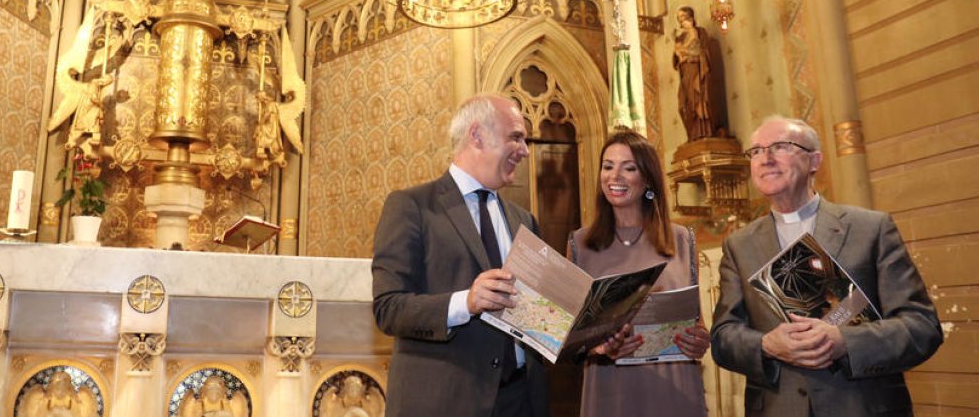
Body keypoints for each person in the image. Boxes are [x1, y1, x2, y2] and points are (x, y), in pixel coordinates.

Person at [710, 116, 943, 416]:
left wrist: (845, 341)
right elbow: (723, 337)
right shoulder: (739, 245)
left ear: (814, 161)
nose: (765, 159)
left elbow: (922, 327)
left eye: (780, 147)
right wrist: (766, 344)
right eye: (755, 151)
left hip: (862, 406)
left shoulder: (870, 229)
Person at [372, 93, 548, 417]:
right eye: (516, 138)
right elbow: (388, 308)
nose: (525, 151)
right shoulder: (412, 207)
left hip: (522, 401)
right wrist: (465, 302)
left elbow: (537, 316)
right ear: (477, 136)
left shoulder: (524, 221)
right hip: (445, 402)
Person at [567, 130, 710, 416]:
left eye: (628, 167)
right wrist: (598, 348)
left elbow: (698, 324)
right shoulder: (579, 245)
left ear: (647, 179)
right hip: (610, 388)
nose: (614, 176)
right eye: (608, 166)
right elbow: (564, 337)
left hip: (674, 387)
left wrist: (700, 341)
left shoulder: (681, 239)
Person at [672, 6, 727, 141]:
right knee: (684, 104)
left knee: (699, 100)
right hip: (685, 72)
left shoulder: (700, 32)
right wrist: (679, 51)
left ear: (691, 18)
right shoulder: (680, 38)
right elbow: (676, 58)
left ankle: (705, 131)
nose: (681, 21)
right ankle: (693, 133)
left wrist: (684, 51)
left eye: (683, 17)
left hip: (697, 69)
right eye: (679, 19)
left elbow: (701, 51)